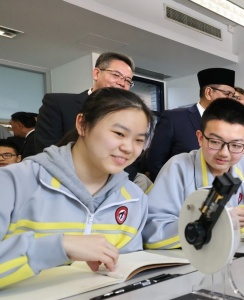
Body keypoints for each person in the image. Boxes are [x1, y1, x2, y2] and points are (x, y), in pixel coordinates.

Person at [0, 88, 152, 289]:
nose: (129, 148)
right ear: (82, 124)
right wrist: (60, 246)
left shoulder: (134, 198)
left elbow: (125, 272)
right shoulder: (15, 182)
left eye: (139, 140)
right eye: (119, 133)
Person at [143, 98, 244, 249]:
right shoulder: (178, 167)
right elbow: (152, 233)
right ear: (200, 138)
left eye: (236, 145)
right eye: (215, 142)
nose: (224, 153)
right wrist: (217, 221)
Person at [35, 52, 135, 153]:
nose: (122, 83)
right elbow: (45, 151)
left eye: (127, 80)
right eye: (116, 75)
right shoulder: (58, 103)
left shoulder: (128, 116)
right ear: (96, 74)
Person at [146, 67, 235, 179]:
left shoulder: (229, 124)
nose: (231, 100)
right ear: (208, 92)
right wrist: (175, 188)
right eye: (227, 94)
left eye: (233, 96)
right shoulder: (175, 118)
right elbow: (154, 162)